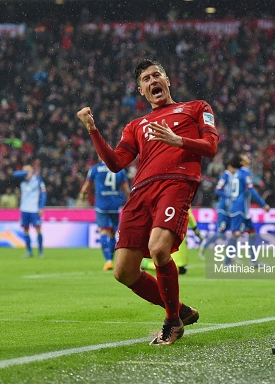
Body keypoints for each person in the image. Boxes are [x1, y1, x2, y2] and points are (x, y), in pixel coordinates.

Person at [77, 58, 218, 345]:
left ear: (167, 81)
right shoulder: (136, 125)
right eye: (146, 79)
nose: (152, 81)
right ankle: (179, 310)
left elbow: (211, 147)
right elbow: (116, 163)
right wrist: (93, 129)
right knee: (123, 271)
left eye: (157, 76)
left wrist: (179, 141)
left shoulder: (196, 108)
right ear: (141, 90)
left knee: (158, 249)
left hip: (175, 183)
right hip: (140, 193)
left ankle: (172, 323)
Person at [78, 159, 130, 271]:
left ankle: (108, 260)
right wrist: (130, 202)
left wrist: (81, 198)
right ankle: (111, 259)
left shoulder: (95, 169)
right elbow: (126, 190)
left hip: (101, 205)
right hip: (115, 205)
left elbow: (86, 186)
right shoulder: (120, 170)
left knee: (103, 231)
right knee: (112, 233)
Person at [226, 154, 270, 265]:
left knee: (252, 233)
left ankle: (254, 261)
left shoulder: (237, 174)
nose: (247, 158)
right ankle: (226, 264)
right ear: (242, 162)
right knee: (235, 234)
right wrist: (263, 204)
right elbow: (251, 190)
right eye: (244, 157)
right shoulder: (244, 172)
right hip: (239, 208)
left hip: (242, 209)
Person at [141, 208, 204, 274]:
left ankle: (148, 263)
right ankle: (145, 264)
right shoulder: (182, 201)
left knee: (181, 269)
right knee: (178, 268)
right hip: (175, 234)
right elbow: (189, 214)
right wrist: (197, 231)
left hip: (172, 233)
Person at [198, 158, 237, 260]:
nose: (236, 169)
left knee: (234, 233)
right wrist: (229, 195)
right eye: (234, 167)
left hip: (230, 209)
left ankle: (231, 256)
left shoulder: (233, 177)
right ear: (229, 166)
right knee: (220, 233)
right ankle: (204, 246)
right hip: (223, 209)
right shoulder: (225, 175)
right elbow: (218, 190)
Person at [13, 165, 46, 258]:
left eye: (28, 170)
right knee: (26, 230)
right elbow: (14, 174)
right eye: (24, 171)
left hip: (34, 210)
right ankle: (29, 252)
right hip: (24, 209)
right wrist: (25, 173)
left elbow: (43, 194)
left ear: (32, 171)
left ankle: (40, 252)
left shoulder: (38, 180)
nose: (26, 172)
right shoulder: (22, 180)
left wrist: (41, 207)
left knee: (38, 230)